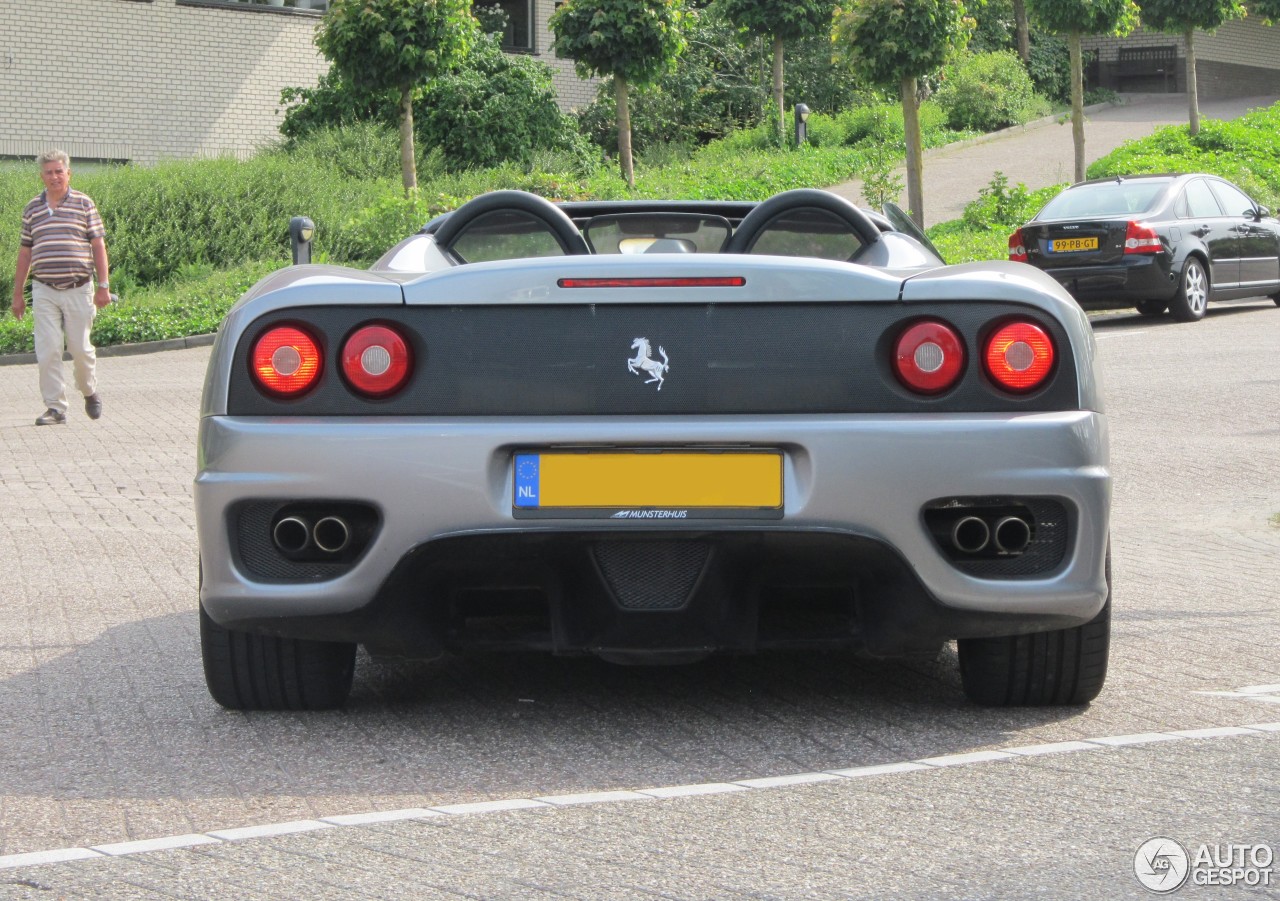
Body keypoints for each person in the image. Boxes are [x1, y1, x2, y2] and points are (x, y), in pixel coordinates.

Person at [11, 150, 111, 426]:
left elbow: (98, 246)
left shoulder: (83, 203)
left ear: (69, 173)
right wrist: (18, 293)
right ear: (41, 176)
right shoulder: (32, 208)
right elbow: (24, 253)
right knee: (48, 350)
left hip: (79, 288)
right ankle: (55, 408)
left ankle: (89, 391)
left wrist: (103, 286)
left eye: (59, 171)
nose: (54, 176)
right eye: (49, 172)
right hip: (44, 289)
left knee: (80, 349)